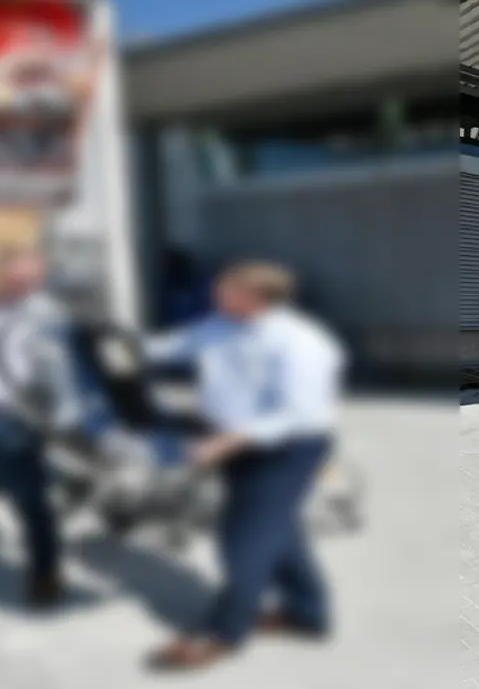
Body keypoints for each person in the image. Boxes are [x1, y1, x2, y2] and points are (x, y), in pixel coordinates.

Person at [143, 261, 346, 672]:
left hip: (289, 447)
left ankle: (221, 631)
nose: (215, 298)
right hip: (236, 445)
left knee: (244, 541)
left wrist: (225, 441)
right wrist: (111, 343)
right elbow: (166, 347)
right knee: (277, 530)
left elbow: (298, 412)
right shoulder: (218, 325)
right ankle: (308, 615)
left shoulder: (302, 342)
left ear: (255, 297)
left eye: (225, 292)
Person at [0, 247, 69, 609]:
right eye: (19, 278)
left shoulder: (46, 318)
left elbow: (64, 373)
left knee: (30, 500)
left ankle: (45, 572)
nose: (26, 286)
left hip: (11, 419)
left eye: (34, 280)